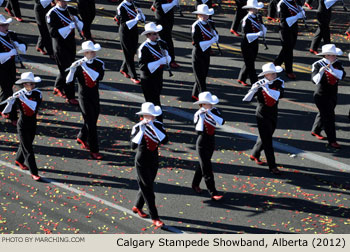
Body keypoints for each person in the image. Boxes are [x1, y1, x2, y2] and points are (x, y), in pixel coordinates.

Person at [130, 102, 168, 228]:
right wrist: (141, 130)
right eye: (148, 116)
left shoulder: (158, 125)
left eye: (152, 116)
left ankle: (137, 206)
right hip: (142, 160)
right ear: (143, 116)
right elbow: (132, 146)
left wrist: (153, 127)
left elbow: (165, 140)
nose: (151, 118)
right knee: (148, 189)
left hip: (153, 159)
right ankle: (155, 217)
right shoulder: (137, 127)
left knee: (148, 184)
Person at [243, 63, 285, 175]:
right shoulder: (259, 84)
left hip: (273, 113)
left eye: (275, 73)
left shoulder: (279, 82)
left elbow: (281, 95)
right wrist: (253, 89)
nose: (275, 75)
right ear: (266, 75)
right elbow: (247, 99)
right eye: (272, 73)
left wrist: (268, 88)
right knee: (268, 141)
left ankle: (255, 153)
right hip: (262, 114)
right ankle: (272, 166)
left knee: (267, 136)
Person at [66, 41, 105, 160]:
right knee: (91, 124)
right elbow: (69, 81)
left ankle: (81, 137)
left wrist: (85, 66)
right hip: (83, 97)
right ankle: (94, 150)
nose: (92, 53)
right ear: (85, 53)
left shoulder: (99, 63)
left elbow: (99, 77)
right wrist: (72, 70)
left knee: (93, 119)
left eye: (93, 51)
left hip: (95, 95)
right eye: (89, 52)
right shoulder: (78, 65)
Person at [2, 72, 42, 181]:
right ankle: (34, 172)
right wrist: (10, 101)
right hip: (22, 124)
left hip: (32, 123)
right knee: (28, 148)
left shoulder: (38, 94)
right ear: (24, 84)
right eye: (30, 84)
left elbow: (33, 107)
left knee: (27, 143)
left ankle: (19, 160)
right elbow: (7, 111)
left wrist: (22, 98)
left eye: (33, 84)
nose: (33, 86)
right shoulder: (18, 95)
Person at [46, 0, 83, 105]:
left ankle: (58, 87)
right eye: (62, 1)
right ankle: (70, 96)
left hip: (70, 43)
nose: (65, 3)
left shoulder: (71, 10)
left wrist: (78, 21)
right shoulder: (51, 13)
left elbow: (80, 24)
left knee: (66, 68)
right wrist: (68, 27)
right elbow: (52, 33)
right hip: (60, 45)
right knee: (68, 70)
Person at [310, 44, 346, 149]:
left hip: (333, 94)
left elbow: (342, 75)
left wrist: (332, 70)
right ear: (326, 55)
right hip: (321, 95)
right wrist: (321, 72)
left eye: (335, 55)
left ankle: (315, 130)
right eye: (333, 55)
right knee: (329, 117)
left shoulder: (338, 63)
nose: (335, 57)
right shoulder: (317, 64)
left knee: (324, 113)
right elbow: (314, 80)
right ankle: (332, 141)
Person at [192, 91, 224, 200]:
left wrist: (210, 113)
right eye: (208, 103)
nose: (211, 105)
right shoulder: (198, 114)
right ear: (202, 104)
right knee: (207, 167)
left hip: (211, 141)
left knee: (203, 165)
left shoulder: (215, 111)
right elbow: (199, 131)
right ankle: (213, 192)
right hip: (202, 142)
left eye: (211, 103)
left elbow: (222, 122)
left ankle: (195, 184)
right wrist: (202, 116)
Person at [138, 22, 171, 122]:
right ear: (148, 35)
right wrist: (159, 61)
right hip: (148, 78)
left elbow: (168, 55)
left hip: (158, 76)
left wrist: (167, 58)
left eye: (157, 33)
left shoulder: (162, 43)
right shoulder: (144, 48)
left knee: (156, 98)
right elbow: (142, 66)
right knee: (152, 102)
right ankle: (156, 121)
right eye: (154, 34)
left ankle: (154, 120)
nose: (157, 35)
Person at [0, 14, 26, 126]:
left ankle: (2, 106)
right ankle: (12, 116)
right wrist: (9, 53)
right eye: (3, 25)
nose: (6, 27)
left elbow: (23, 44)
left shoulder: (11, 34)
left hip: (10, 66)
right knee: (8, 91)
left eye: (6, 24)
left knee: (7, 88)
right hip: (0, 68)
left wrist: (19, 45)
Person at [191, 4, 218, 101]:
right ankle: (204, 98)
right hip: (198, 53)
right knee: (200, 77)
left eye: (206, 14)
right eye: (202, 14)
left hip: (206, 52)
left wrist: (216, 36)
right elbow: (196, 43)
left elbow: (215, 33)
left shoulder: (210, 23)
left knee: (203, 74)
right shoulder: (196, 25)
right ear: (198, 15)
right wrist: (211, 41)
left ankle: (195, 94)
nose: (205, 16)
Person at [237, 0, 266, 86]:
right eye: (255, 8)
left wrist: (264, 29)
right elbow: (245, 35)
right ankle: (255, 82)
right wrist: (257, 34)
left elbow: (261, 26)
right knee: (251, 65)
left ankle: (241, 78)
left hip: (254, 43)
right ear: (250, 9)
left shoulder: (258, 17)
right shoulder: (246, 19)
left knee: (250, 61)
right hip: (246, 44)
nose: (257, 10)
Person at [274, 0, 305, 79]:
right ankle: (289, 71)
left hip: (294, 27)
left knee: (289, 47)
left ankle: (276, 63)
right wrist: (297, 16)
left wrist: (302, 13)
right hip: (285, 28)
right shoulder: (282, 3)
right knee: (288, 49)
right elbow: (284, 20)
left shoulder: (296, 1)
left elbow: (299, 9)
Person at [116, 0, 145, 84]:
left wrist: (142, 16)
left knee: (132, 51)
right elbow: (123, 24)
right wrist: (136, 19)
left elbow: (141, 18)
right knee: (128, 53)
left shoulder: (135, 4)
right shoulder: (121, 7)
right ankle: (133, 76)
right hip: (125, 32)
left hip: (134, 30)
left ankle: (123, 69)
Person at [153, 0, 180, 68]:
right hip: (162, 18)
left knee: (166, 38)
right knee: (166, 39)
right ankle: (170, 60)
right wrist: (172, 4)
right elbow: (158, 6)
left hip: (169, 16)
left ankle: (166, 58)